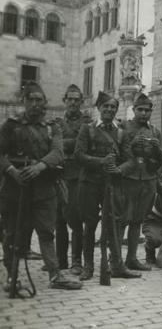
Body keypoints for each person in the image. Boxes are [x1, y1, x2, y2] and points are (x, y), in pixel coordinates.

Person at [0, 81, 82, 290]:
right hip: (14, 189)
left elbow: (58, 152)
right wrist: (12, 171)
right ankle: (12, 278)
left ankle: (55, 275)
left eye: (39, 100)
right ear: (23, 101)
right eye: (31, 99)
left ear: (45, 103)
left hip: (44, 189)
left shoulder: (51, 127)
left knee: (46, 232)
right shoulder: (11, 126)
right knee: (13, 234)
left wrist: (40, 167)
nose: (35, 104)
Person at [74, 91, 140, 280]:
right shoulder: (87, 129)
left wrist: (120, 170)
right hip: (89, 183)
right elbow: (79, 155)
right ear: (99, 108)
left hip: (112, 184)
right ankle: (88, 267)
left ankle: (117, 265)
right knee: (90, 225)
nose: (109, 110)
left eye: (113, 107)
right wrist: (101, 162)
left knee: (113, 225)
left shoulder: (121, 132)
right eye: (106, 106)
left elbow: (131, 160)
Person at [117, 93, 162, 271]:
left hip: (147, 180)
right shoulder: (124, 128)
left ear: (151, 112)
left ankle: (131, 259)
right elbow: (118, 154)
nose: (144, 113)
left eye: (147, 110)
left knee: (137, 221)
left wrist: (156, 150)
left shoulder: (155, 132)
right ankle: (116, 260)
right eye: (140, 110)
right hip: (128, 180)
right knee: (123, 220)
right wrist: (132, 144)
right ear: (134, 110)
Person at [54, 84, 92, 275]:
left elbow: (81, 145)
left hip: (78, 176)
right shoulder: (57, 122)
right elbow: (53, 146)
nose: (73, 103)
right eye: (70, 99)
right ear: (64, 100)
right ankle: (59, 261)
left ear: (82, 102)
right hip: (59, 175)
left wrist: (62, 144)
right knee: (59, 220)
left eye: (77, 99)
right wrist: (67, 145)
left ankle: (76, 261)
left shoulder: (87, 122)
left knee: (76, 220)